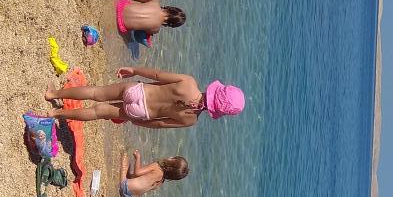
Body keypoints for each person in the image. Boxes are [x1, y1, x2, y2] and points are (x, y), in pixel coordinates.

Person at [44, 68, 245, 130]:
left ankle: (53, 94)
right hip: (142, 112)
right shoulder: (190, 119)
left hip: (138, 91)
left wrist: (134, 70)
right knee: (99, 112)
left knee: (96, 93)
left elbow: (157, 75)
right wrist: (137, 120)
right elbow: (159, 124)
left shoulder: (188, 82)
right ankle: (57, 114)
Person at [119, 150, 188, 197]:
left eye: (174, 158)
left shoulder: (157, 166)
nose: (171, 157)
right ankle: (127, 180)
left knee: (125, 157)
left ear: (171, 161)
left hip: (124, 187)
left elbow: (137, 173)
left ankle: (124, 183)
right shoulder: (161, 181)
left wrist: (138, 158)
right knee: (133, 174)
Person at [116, 0, 186, 38]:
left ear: (171, 8)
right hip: (121, 24)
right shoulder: (155, 29)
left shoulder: (155, 2)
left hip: (120, 6)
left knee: (141, 3)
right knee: (145, 27)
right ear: (170, 25)